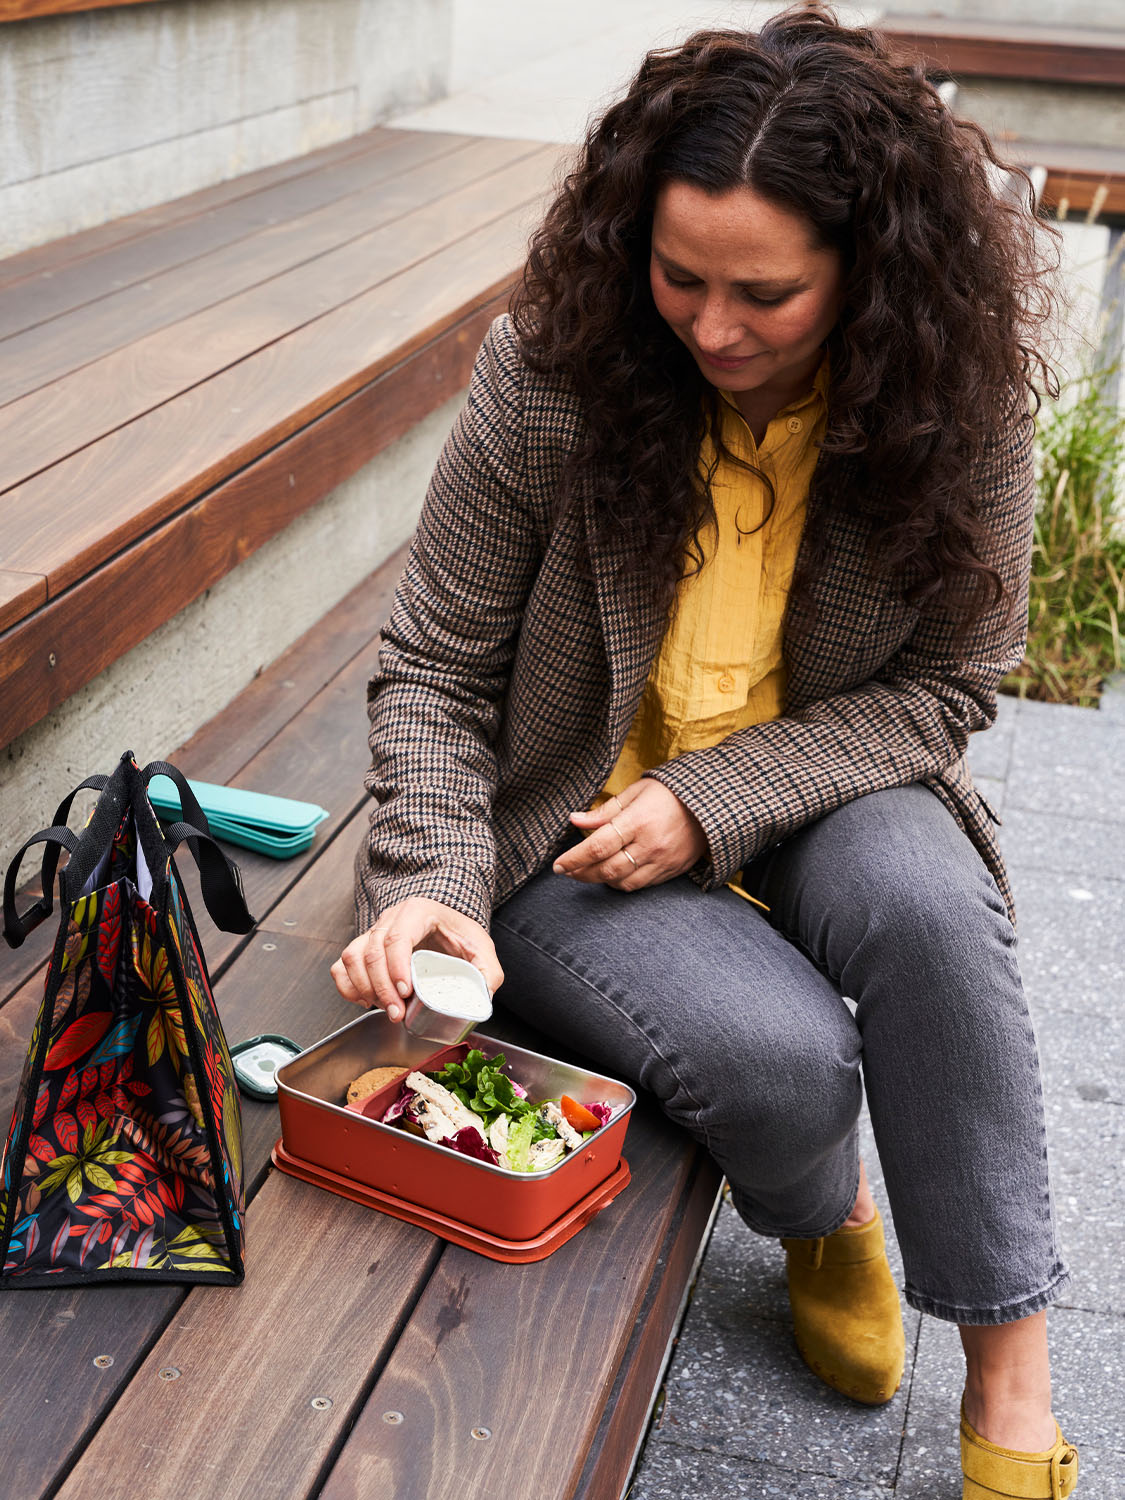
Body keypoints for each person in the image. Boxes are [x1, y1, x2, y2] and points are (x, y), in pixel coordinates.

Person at [331, 7, 1078, 1495]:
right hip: (575, 819)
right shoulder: (552, 373)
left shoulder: (955, 403)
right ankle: (824, 1210)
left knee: (929, 914)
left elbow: (945, 688)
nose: (714, 327)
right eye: (680, 278)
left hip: (830, 779)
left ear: (871, 280)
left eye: (767, 293)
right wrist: (425, 878)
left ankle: (1009, 1376)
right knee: (783, 1067)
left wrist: (712, 798)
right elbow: (432, 665)